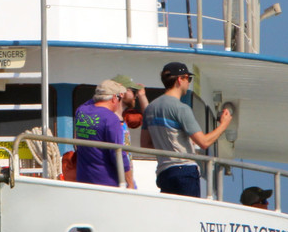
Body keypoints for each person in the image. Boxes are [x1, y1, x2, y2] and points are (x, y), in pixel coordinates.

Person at [140, 61, 233, 197]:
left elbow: (145, 144)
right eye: (188, 78)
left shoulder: (150, 108)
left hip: (164, 172)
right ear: (180, 79)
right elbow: (204, 142)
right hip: (184, 171)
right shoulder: (181, 108)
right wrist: (224, 125)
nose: (189, 82)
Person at [73, 79, 134, 188]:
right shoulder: (111, 119)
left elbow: (90, 102)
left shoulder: (81, 111)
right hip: (106, 182)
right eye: (120, 98)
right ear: (115, 98)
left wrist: (102, 92)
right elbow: (118, 154)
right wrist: (130, 182)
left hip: (83, 179)